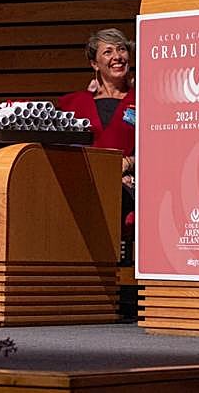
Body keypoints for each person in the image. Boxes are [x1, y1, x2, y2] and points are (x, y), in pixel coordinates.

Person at [58, 28, 136, 248]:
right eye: (108, 52)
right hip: (86, 186)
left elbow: (161, 149)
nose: (117, 57)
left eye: (122, 49)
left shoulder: (145, 99)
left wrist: (129, 164)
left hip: (129, 188)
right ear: (94, 64)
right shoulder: (73, 104)